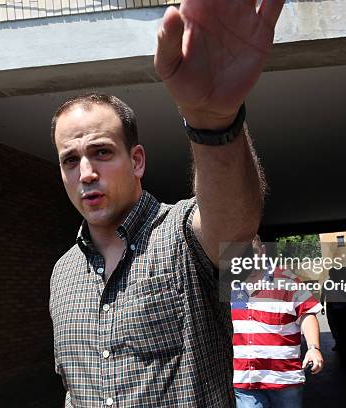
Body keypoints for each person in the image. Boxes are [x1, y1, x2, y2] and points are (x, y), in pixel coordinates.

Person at [48, 1, 287, 406]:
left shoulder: (180, 235)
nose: (86, 171)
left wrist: (212, 119)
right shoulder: (62, 274)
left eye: (102, 152)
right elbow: (76, 387)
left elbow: (233, 226)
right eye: (71, 160)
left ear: (136, 160)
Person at [232, 236, 324, 408]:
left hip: (284, 379)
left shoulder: (286, 279)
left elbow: (307, 313)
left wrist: (313, 348)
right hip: (245, 381)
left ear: (262, 251)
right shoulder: (229, 285)